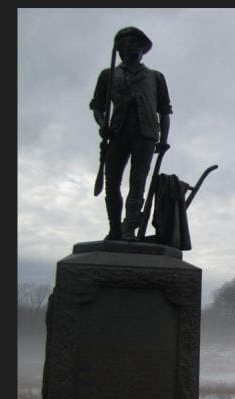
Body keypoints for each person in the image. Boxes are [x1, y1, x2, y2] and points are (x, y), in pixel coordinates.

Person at [90, 27, 172, 241]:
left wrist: (164, 140)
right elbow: (97, 107)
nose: (131, 45)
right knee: (112, 183)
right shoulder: (108, 75)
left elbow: (164, 111)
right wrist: (102, 125)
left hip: (146, 134)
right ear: (119, 49)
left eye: (136, 42)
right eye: (126, 42)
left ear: (143, 49)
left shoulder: (156, 77)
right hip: (117, 132)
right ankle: (114, 229)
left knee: (138, 183)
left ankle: (128, 229)